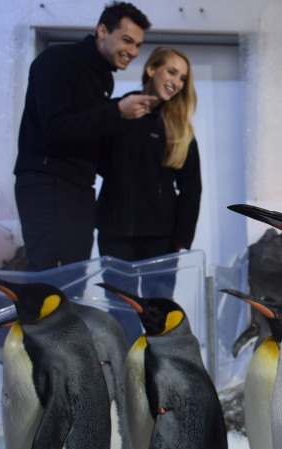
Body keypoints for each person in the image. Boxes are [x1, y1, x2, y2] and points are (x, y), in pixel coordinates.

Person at [14, 2, 154, 271]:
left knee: (76, 272)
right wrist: (116, 112)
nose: (133, 52)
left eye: (138, 45)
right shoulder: (56, 61)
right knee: (49, 273)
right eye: (127, 40)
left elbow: (91, 135)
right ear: (102, 31)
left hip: (81, 186)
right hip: (46, 180)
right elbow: (55, 127)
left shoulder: (104, 79)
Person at [96, 46, 202, 303]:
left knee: (159, 314)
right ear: (151, 69)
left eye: (182, 78)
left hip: (161, 240)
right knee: (120, 310)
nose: (177, 83)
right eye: (172, 72)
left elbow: (191, 189)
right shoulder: (115, 111)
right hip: (114, 234)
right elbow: (94, 162)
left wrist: (181, 240)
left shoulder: (180, 129)